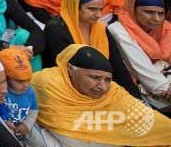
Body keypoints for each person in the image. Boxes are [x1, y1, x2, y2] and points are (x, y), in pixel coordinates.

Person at [32, 44, 171, 146]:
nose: (103, 87)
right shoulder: (47, 84)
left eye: (107, 80)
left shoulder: (114, 92)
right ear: (71, 70)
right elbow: (68, 137)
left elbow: (146, 117)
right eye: (95, 78)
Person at [43, 0, 140, 97]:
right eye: (92, 9)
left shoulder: (100, 29)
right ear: (75, 7)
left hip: (102, 85)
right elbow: (67, 69)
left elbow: (117, 65)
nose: (99, 15)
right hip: (67, 88)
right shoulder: (56, 29)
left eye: (100, 9)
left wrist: (135, 96)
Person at [107, 0, 171, 111]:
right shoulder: (118, 30)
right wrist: (164, 87)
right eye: (149, 12)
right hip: (140, 83)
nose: (156, 18)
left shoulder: (165, 28)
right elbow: (138, 65)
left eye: (160, 13)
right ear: (133, 10)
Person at [0, 47, 45, 144]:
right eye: (19, 81)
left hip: (24, 123)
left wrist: (27, 125)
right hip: (5, 126)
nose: (26, 85)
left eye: (28, 79)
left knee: (40, 143)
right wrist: (4, 123)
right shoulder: (1, 92)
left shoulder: (30, 91)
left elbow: (34, 109)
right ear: (5, 76)